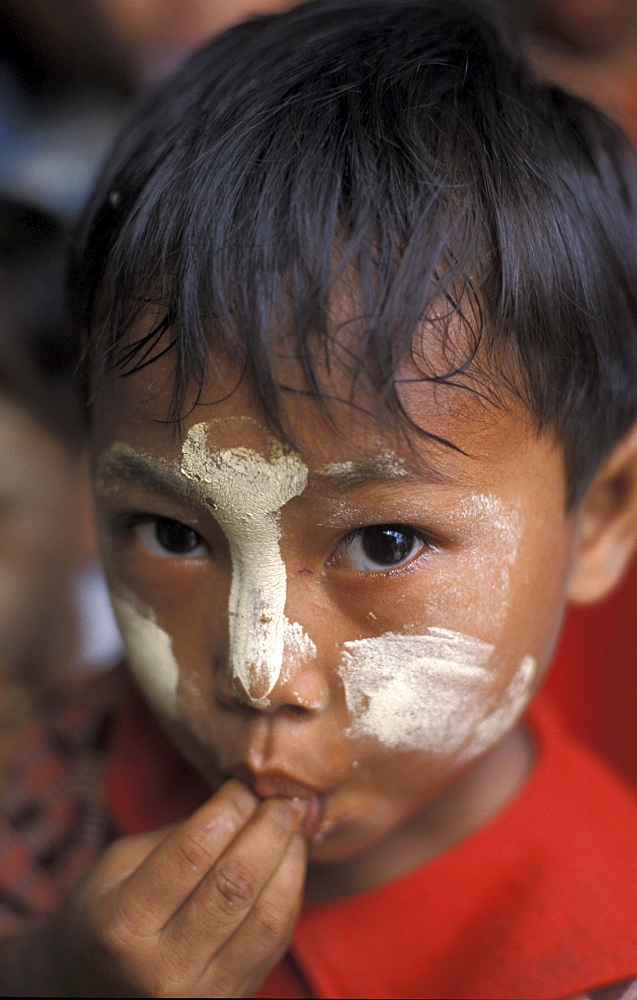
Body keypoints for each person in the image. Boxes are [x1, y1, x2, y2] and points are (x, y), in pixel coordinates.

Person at [2, 1, 637, 995]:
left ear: (600, 518)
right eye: (172, 532)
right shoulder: (68, 765)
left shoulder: (603, 953)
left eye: (382, 541)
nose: (259, 668)